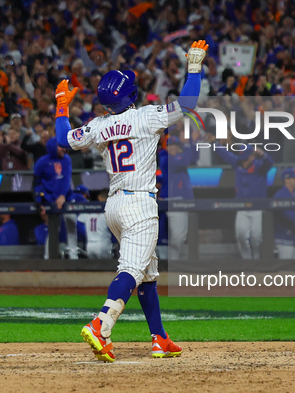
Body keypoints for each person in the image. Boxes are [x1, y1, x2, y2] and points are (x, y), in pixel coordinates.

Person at [54, 40, 208, 362]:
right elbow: (189, 102)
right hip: (139, 205)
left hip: (114, 207)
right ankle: (101, 324)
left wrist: (60, 104)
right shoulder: (146, 117)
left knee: (147, 274)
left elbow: (62, 139)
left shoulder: (97, 125)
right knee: (130, 270)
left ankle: (160, 338)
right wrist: (194, 66)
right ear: (130, 95)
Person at [205, 136, 275, 259]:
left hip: (257, 207)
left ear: (252, 156)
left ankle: (256, 258)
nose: (244, 161)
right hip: (241, 206)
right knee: (241, 235)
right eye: (242, 159)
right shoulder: (237, 163)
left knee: (256, 237)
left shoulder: (259, 167)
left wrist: (262, 153)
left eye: (246, 158)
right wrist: (214, 143)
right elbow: (225, 154)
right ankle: (247, 260)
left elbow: (270, 163)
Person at [33, 137, 78, 259]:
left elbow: (67, 179)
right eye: (60, 146)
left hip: (67, 198)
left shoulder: (67, 160)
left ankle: (74, 257)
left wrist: (63, 195)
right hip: (51, 201)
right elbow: (36, 184)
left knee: (71, 227)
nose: (63, 149)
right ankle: (48, 258)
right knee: (53, 230)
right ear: (53, 147)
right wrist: (39, 201)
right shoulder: (42, 162)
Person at [158, 135, 198, 260]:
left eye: (175, 146)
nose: (173, 148)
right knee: (163, 236)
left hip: (180, 201)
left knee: (179, 236)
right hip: (167, 202)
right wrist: (186, 146)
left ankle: (173, 261)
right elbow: (184, 161)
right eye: (170, 145)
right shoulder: (165, 158)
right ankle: (166, 262)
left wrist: (193, 142)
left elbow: (194, 158)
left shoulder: (180, 158)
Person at [77, 190, 114, 259]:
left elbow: (78, 225)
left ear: (99, 197)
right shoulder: (110, 210)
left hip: (89, 245)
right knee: (106, 268)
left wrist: (84, 236)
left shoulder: (89, 208)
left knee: (92, 269)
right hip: (104, 244)